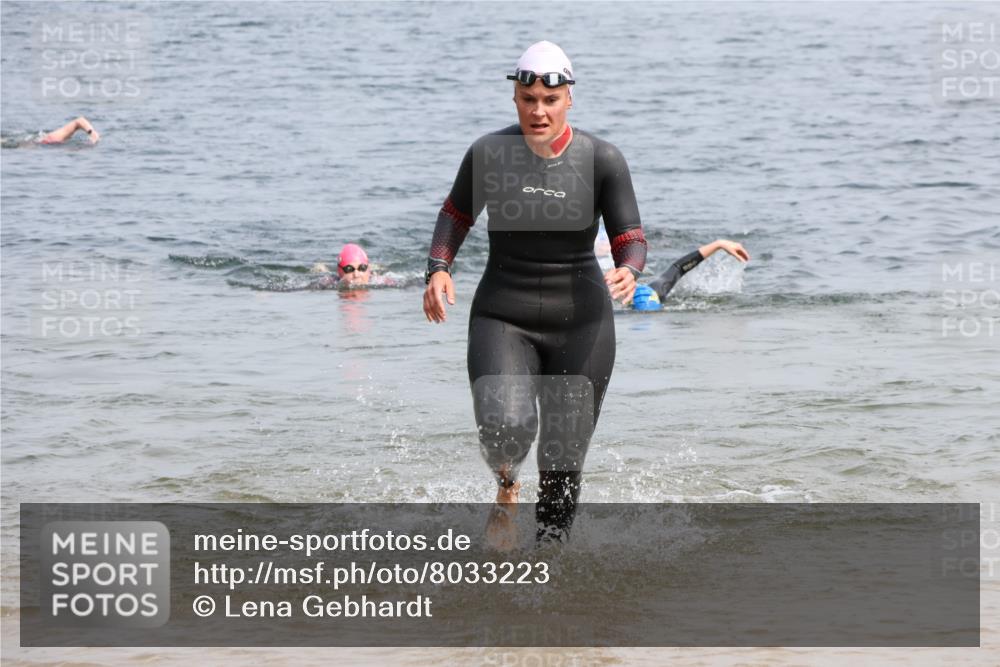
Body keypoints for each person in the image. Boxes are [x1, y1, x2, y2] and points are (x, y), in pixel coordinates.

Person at [422, 41, 648, 548]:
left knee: (562, 462)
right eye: (528, 99)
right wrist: (438, 268)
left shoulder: (602, 159)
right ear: (515, 99)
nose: (538, 111)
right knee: (505, 429)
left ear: (569, 98)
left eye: (550, 100)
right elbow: (455, 215)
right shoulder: (488, 154)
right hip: (504, 314)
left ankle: (547, 566)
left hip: (583, 322)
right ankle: (507, 485)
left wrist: (629, 270)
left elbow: (630, 237)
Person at [630, 239, 750, 310]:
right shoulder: (656, 291)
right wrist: (718, 244)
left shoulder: (652, 292)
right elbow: (678, 268)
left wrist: (719, 244)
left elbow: (679, 267)